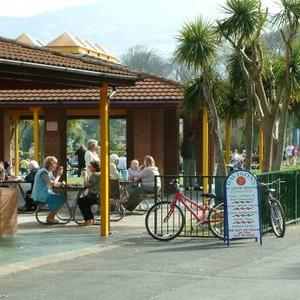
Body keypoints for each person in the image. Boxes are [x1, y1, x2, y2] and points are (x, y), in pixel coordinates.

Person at [32, 156, 64, 224]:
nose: (56, 165)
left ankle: (51, 216)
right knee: (61, 199)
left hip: (46, 193)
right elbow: (52, 184)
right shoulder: (43, 173)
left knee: (61, 198)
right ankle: (50, 217)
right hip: (40, 195)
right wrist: (58, 176)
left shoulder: (48, 172)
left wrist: (61, 183)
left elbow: (54, 182)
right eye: (54, 164)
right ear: (49, 165)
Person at [78, 161, 100, 226]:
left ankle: (89, 220)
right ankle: (90, 220)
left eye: (90, 166)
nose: (89, 167)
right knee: (84, 200)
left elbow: (86, 185)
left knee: (81, 201)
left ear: (94, 167)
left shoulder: (95, 175)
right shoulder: (101, 174)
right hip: (101, 195)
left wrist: (84, 176)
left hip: (95, 196)